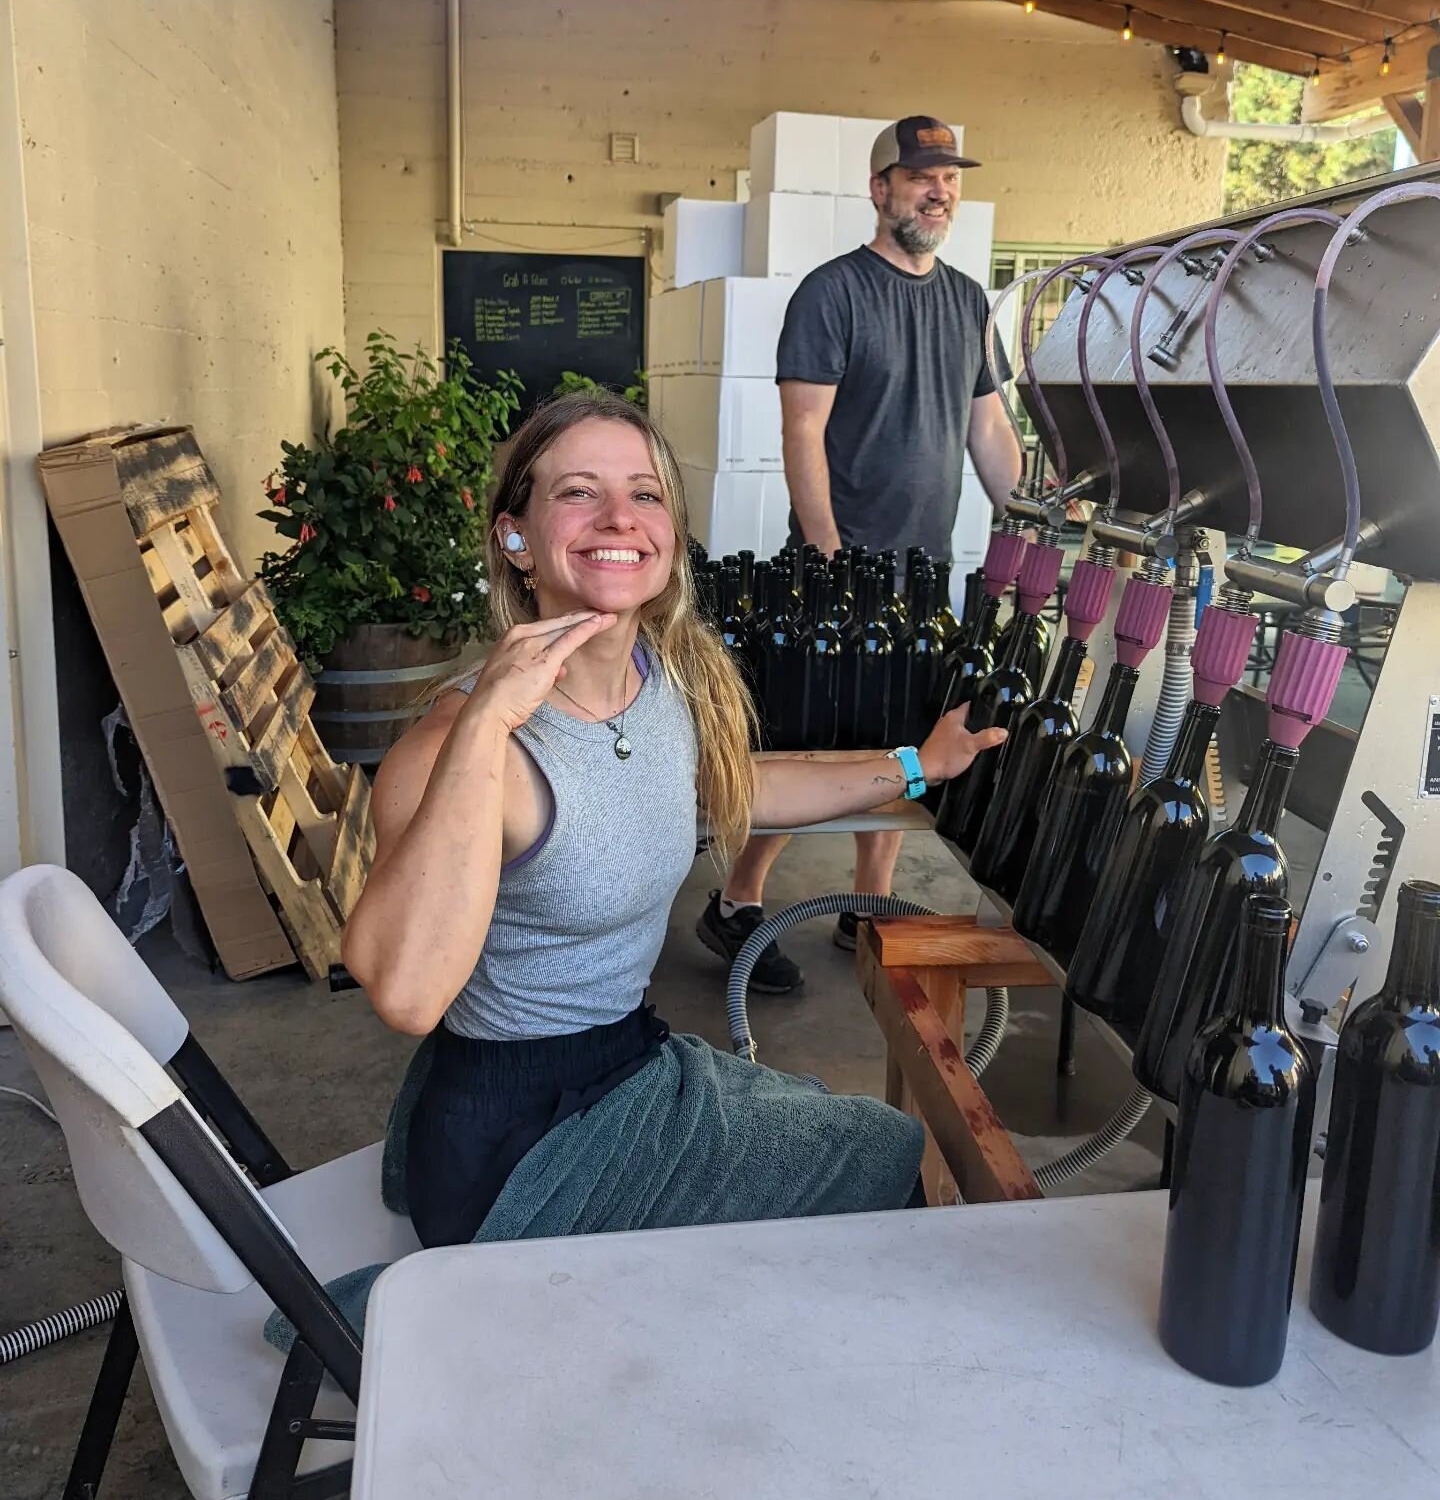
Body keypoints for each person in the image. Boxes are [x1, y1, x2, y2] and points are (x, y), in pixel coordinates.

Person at [340, 393, 1004, 1247]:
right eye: (578, 492)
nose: (619, 516)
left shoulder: (662, 677)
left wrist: (919, 764)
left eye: (645, 493)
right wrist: (485, 722)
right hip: (520, 1147)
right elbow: (404, 992)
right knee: (887, 1158)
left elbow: (740, 786)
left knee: (859, 1132)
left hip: (629, 1065)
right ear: (516, 536)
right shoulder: (455, 748)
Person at [696, 116, 1024, 989]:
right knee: (813, 748)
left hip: (923, 573)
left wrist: (1027, 521)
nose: (938, 190)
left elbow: (987, 426)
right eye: (920, 175)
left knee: (905, 745)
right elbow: (801, 430)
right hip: (838, 573)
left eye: (950, 176)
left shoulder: (966, 301)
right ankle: (734, 904)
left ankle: (865, 909)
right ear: (879, 189)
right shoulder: (833, 292)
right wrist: (829, 554)